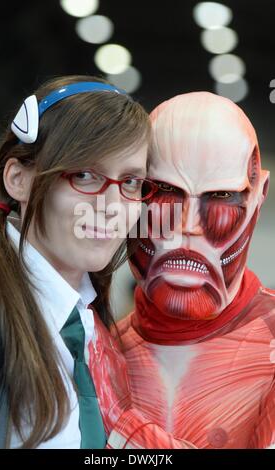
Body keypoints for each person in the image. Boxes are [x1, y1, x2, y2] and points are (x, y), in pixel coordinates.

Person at [0, 75, 194, 449]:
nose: (112, 207)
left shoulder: (88, 321)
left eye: (130, 182)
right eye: (84, 175)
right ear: (18, 179)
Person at [117, 91, 275, 449]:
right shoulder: (94, 348)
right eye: (163, 191)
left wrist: (121, 426)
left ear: (258, 196)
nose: (187, 224)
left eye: (219, 197)